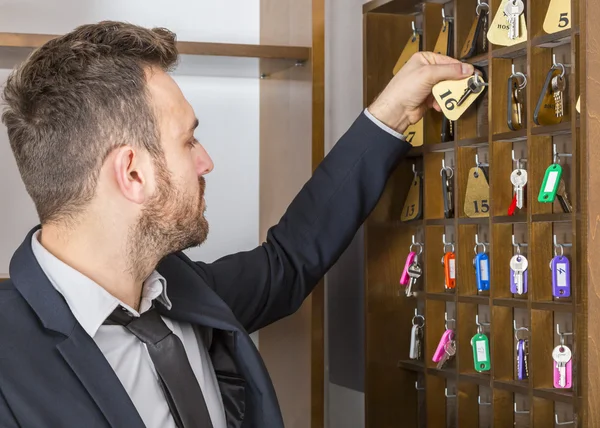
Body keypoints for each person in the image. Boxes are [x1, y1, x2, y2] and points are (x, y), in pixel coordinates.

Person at [0, 21, 474, 428]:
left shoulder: (179, 288)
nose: (206, 162)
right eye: (189, 141)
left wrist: (390, 114)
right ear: (133, 173)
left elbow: (289, 260)